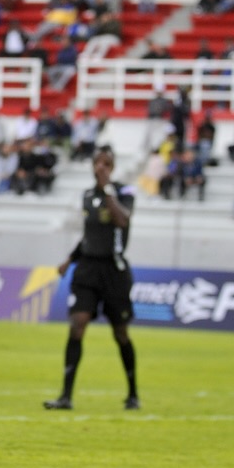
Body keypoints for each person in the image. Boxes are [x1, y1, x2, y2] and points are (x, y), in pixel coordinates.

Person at [45, 146, 139, 411]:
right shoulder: (87, 195)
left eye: (106, 164)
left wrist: (108, 188)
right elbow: (89, 235)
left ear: (113, 166)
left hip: (114, 271)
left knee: (120, 333)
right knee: (77, 325)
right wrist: (70, 259)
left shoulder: (125, 192)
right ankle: (65, 396)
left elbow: (122, 220)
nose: (101, 168)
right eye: (98, 163)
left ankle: (133, 393)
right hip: (87, 269)